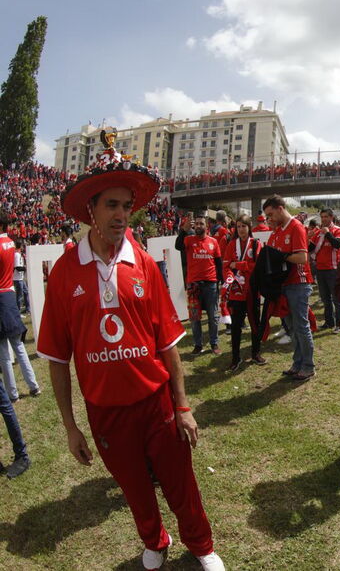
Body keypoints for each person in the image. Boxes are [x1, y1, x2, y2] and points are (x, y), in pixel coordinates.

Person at [38, 141, 225, 570]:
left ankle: (201, 546)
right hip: (105, 411)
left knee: (180, 483)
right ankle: (155, 542)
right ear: (91, 209)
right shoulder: (65, 272)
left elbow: (167, 345)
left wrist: (182, 406)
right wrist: (70, 427)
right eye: (112, 206)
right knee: (135, 488)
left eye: (126, 206)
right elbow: (55, 358)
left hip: (155, 402)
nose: (122, 214)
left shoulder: (141, 261)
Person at [263, 195, 316, 381]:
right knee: (291, 326)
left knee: (301, 326)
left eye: (271, 214)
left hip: (298, 284)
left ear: (279, 208)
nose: (270, 219)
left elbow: (302, 258)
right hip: (283, 285)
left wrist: (282, 257)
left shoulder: (296, 227)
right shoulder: (276, 232)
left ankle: (308, 366)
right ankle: (298, 362)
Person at [0, 217, 40, 401]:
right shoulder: (10, 243)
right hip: (9, 294)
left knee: (4, 353)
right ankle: (33, 385)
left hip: (1, 295)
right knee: (19, 346)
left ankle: (13, 393)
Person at [222, 215, 264, 372]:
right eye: (238, 226)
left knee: (255, 325)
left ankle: (256, 353)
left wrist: (238, 264)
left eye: (244, 226)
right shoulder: (231, 244)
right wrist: (231, 279)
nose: (241, 229)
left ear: (249, 227)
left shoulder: (256, 244)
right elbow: (226, 266)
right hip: (236, 292)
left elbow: (257, 267)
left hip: (253, 291)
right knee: (235, 327)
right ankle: (235, 357)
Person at [177, 216, 222, 356]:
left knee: (213, 317)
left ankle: (214, 343)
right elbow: (177, 246)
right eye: (196, 224)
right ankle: (198, 345)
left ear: (206, 226)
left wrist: (220, 282)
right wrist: (183, 231)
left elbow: (219, 263)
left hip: (211, 284)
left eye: (201, 223)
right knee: (195, 318)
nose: (198, 226)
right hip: (193, 286)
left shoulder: (213, 242)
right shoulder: (188, 240)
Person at [310, 208, 340, 333]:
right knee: (325, 299)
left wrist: (328, 233)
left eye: (326, 217)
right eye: (322, 217)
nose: (323, 219)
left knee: (337, 299)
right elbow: (310, 248)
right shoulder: (318, 232)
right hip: (320, 269)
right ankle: (329, 322)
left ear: (331, 217)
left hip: (333, 269)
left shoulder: (337, 230)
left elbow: (337, 245)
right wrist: (306, 237)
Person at [13, 240, 27, 314]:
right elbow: (17, 267)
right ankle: (18, 312)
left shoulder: (19, 254)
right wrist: (25, 268)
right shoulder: (17, 255)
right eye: (22, 245)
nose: (23, 247)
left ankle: (27, 309)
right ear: (20, 246)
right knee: (19, 296)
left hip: (21, 278)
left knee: (26, 292)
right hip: (17, 278)